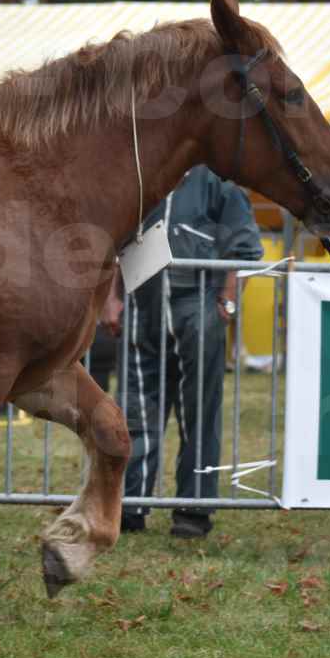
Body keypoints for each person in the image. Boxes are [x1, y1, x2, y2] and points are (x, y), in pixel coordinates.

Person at [103, 165, 262, 538]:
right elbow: (116, 243)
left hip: (198, 308)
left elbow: (243, 248)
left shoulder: (219, 185)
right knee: (135, 410)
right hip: (141, 308)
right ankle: (130, 506)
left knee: (199, 413)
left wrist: (226, 301)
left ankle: (194, 510)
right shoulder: (143, 177)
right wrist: (111, 300)